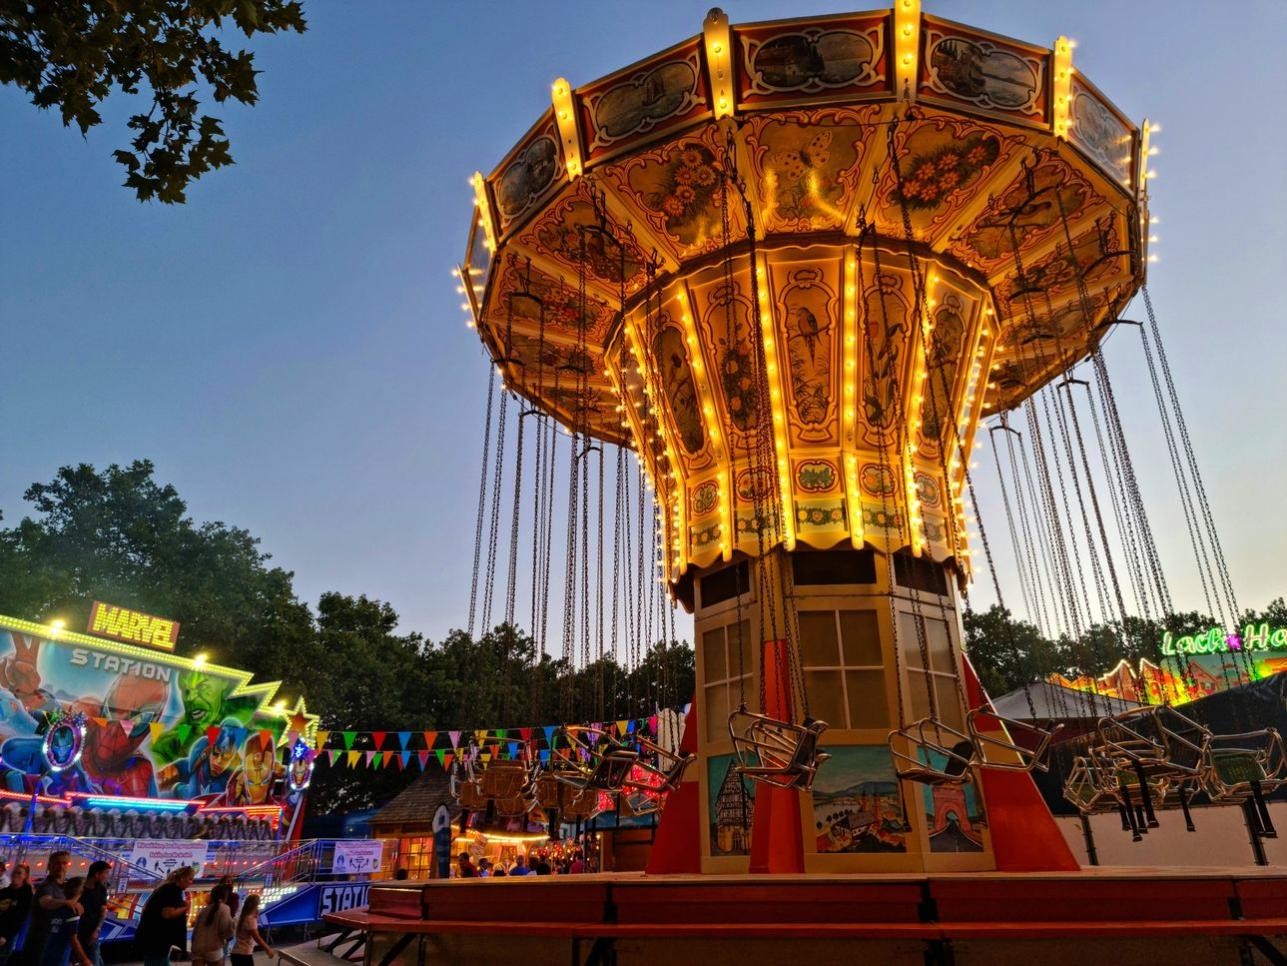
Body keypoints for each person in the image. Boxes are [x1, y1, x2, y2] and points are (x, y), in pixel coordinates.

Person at [26, 852, 80, 966]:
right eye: (57, 863)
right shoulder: (47, 886)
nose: (61, 866)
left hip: (54, 944)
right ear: (50, 866)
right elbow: (46, 902)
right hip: (40, 944)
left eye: (64, 863)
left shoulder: (65, 887)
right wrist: (67, 902)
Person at [136, 866, 194, 966]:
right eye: (190, 879)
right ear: (181, 878)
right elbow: (167, 914)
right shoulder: (172, 890)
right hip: (156, 939)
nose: (191, 882)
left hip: (154, 937)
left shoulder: (167, 888)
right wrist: (185, 908)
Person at [40, 876, 82, 966]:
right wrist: (85, 960)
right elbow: (73, 939)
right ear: (79, 891)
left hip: (48, 952)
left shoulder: (58, 908)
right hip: (60, 956)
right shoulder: (72, 911)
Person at [190, 884, 233, 966]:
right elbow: (225, 930)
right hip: (213, 947)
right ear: (225, 897)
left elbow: (195, 931)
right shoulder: (224, 908)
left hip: (197, 947)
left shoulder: (204, 910)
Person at [76, 863, 110, 966]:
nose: (107, 876)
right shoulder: (80, 889)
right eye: (106, 873)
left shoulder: (101, 889)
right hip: (77, 930)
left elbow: (103, 911)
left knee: (94, 957)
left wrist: (97, 929)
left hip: (92, 931)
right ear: (97, 874)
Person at [0, 864, 33, 966]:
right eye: (14, 872)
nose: (15, 875)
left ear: (25, 876)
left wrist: (6, 935)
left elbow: (20, 918)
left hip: (9, 937)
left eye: (19, 873)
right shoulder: (4, 892)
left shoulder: (26, 895)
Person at [230, 895, 273, 966]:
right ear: (255, 906)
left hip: (236, 953)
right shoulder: (250, 920)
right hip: (244, 955)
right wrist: (268, 949)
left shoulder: (243, 917)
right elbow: (257, 937)